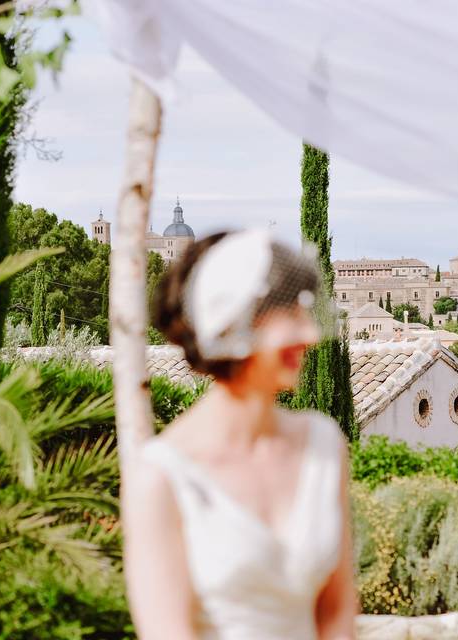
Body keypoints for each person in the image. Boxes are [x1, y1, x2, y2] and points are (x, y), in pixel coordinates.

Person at [122, 230, 357, 640]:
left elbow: (336, 613)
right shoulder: (161, 477)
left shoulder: (323, 444)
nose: (311, 335)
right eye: (292, 315)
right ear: (236, 322)